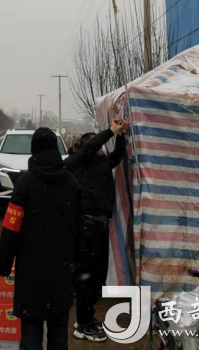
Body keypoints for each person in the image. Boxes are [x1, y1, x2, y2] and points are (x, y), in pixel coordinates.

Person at [0, 127, 81, 350]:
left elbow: (10, 229)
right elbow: (80, 229)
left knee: (31, 337)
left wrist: (3, 263)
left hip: (30, 274)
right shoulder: (71, 183)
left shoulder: (25, 183)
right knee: (59, 337)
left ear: (34, 150)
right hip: (62, 272)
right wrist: (78, 267)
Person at [65, 119, 129, 342]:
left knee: (98, 276)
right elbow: (92, 146)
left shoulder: (101, 162)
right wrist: (111, 130)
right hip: (86, 225)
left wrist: (120, 136)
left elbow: (117, 156)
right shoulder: (80, 161)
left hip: (100, 225)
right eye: (96, 144)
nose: (101, 147)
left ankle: (86, 317)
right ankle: (83, 324)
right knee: (87, 276)